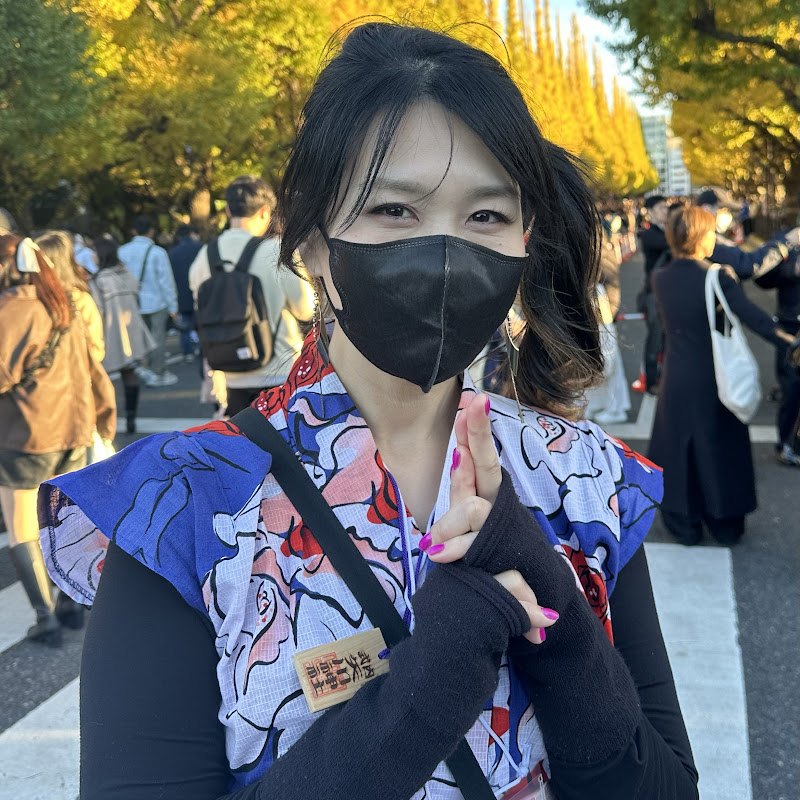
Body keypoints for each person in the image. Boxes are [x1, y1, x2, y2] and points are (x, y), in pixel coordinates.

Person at [39, 24, 698, 799]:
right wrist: (428, 684)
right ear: (314, 242)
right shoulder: (183, 504)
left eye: (486, 216)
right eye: (394, 209)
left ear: (525, 239)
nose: (445, 253)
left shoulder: (584, 482)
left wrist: (562, 624)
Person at [649, 206, 796, 546]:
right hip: (713, 376)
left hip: (675, 376)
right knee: (719, 447)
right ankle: (724, 522)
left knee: (679, 447)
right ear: (704, 236)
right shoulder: (717, 275)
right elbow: (754, 318)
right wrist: (791, 342)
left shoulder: (661, 277)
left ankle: (684, 523)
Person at [0, 235, 92, 646]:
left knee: (22, 527)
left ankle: (45, 617)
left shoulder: (13, 308)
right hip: (73, 428)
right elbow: (89, 367)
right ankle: (70, 600)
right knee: (61, 520)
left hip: (26, 434)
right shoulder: (62, 304)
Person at [188, 175, 314, 416]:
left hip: (230, 374)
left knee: (242, 438)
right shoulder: (277, 251)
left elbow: (200, 308)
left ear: (228, 211)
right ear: (265, 211)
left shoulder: (204, 256)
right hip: (279, 372)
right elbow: (305, 309)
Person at [91, 235, 157, 434]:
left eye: (94, 252)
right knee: (129, 374)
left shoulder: (99, 280)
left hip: (109, 334)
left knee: (100, 377)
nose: (92, 256)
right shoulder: (127, 274)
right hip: (131, 331)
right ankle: (131, 417)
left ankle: (104, 419)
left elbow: (97, 311)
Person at [118, 215, 179, 387]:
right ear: (151, 231)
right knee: (157, 338)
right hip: (157, 301)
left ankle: (141, 368)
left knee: (136, 338)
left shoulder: (122, 251)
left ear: (133, 231)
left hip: (132, 302)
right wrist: (173, 306)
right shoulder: (158, 252)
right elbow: (166, 281)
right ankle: (157, 371)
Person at [696, 188, 800, 280]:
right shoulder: (706, 241)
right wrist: (785, 242)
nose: (727, 214)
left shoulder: (705, 237)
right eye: (723, 210)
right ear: (706, 209)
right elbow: (747, 264)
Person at [638, 195, 670, 392]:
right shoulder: (649, 234)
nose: (665, 211)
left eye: (666, 208)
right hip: (654, 295)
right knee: (655, 339)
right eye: (660, 208)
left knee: (668, 339)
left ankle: (665, 379)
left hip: (668, 293)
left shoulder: (666, 231)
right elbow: (667, 244)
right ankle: (651, 382)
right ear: (649, 212)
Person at [168, 224, 203, 361]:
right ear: (191, 234)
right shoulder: (200, 248)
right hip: (199, 292)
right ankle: (203, 349)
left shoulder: (172, 252)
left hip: (181, 294)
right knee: (201, 322)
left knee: (184, 325)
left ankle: (187, 352)